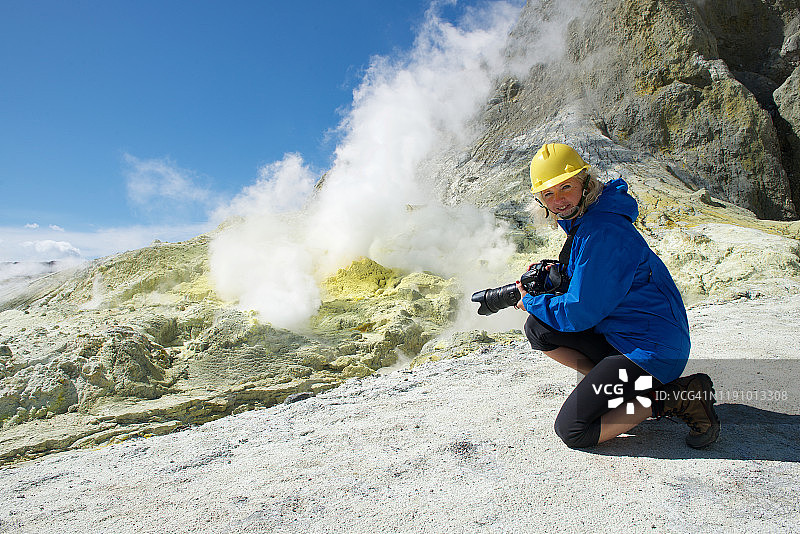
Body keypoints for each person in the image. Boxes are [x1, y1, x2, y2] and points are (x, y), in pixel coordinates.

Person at [516, 142, 720, 449]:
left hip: (650, 348)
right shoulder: (587, 219)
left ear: (585, 183)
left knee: (573, 431)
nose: (558, 200)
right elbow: (590, 280)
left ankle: (674, 398)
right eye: (548, 194)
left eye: (565, 187)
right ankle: (624, 393)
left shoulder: (602, 229)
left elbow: (580, 312)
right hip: (624, 334)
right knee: (539, 329)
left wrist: (530, 300)